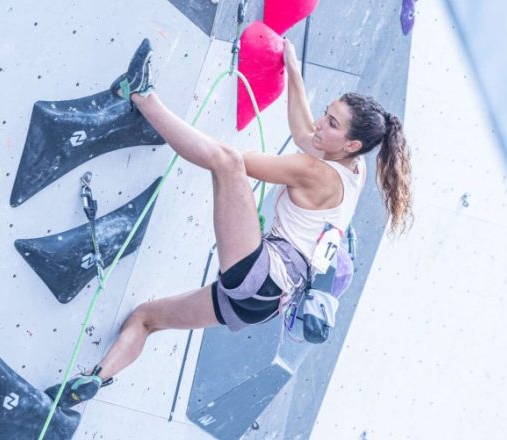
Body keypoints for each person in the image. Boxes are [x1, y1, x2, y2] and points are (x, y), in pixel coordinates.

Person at [45, 38, 413, 407]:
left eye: (331, 122)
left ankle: (138, 93)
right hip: (263, 304)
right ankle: (96, 378)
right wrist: (294, 72)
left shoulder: (315, 172)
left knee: (226, 163)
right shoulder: (356, 168)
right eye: (326, 112)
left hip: (263, 274)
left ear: (350, 144)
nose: (320, 123)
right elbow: (306, 134)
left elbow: (234, 160)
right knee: (147, 317)